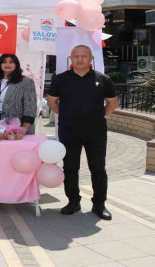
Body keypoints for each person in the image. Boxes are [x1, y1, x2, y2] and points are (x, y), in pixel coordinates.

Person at [47, 45, 118, 220]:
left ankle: (99, 204)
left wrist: (101, 115)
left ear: (91, 59)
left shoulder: (103, 79)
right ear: (70, 59)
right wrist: (66, 114)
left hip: (96, 131)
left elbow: (113, 102)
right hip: (69, 130)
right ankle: (73, 202)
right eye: (76, 56)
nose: (80, 59)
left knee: (98, 168)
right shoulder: (60, 79)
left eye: (84, 56)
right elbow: (51, 102)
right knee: (70, 167)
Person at [0, 54, 37, 134]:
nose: (7, 64)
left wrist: (24, 128)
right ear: (0, 65)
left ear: (16, 65)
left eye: (11, 62)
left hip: (17, 125)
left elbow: (30, 107)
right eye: (4, 62)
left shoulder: (26, 82)